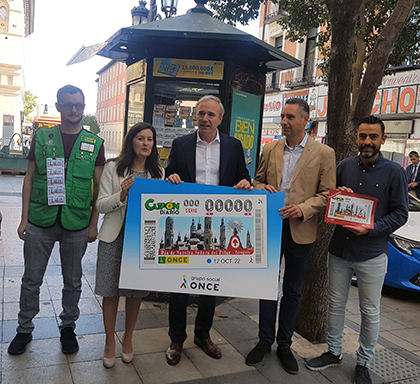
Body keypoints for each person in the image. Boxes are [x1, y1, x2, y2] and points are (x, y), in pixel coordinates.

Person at [306, 116, 408, 384]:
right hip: (339, 250)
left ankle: (363, 362)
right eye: (363, 136)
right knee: (336, 305)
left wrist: (371, 228)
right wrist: (338, 195)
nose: (367, 142)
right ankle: (334, 352)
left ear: (383, 140)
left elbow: (400, 214)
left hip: (372, 254)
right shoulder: (343, 166)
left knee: (370, 311)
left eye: (373, 137)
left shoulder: (394, 172)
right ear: (356, 138)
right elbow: (330, 199)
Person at [8, 85, 105, 356]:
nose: (74, 110)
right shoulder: (42, 137)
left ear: (83, 109)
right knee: (31, 279)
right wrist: (24, 219)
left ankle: (68, 328)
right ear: (59, 106)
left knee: (73, 280)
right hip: (40, 219)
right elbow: (28, 178)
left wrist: (94, 223)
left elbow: (99, 188)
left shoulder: (94, 143)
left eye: (79, 106)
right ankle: (24, 329)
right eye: (69, 104)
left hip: (77, 221)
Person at [246, 98, 336, 374]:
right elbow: (257, 180)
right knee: (265, 286)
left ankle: (284, 344)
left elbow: (327, 193)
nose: (283, 121)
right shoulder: (270, 149)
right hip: (270, 225)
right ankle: (264, 340)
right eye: (282, 117)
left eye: (289, 117)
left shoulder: (324, 153)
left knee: (292, 290)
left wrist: (303, 209)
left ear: (305, 120)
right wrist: (263, 188)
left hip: (301, 227)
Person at [165, 95, 251, 365]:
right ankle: (176, 338)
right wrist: (172, 178)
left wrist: (245, 184)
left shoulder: (233, 146)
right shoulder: (180, 144)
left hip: (217, 224)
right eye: (201, 113)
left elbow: (243, 176)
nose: (204, 118)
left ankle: (202, 334)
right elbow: (169, 174)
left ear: (220, 119)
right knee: (179, 284)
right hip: (187, 222)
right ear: (195, 116)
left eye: (210, 115)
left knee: (210, 284)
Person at [95, 122, 164, 368]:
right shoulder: (114, 168)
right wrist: (121, 195)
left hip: (140, 240)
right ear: (131, 141)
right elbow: (101, 205)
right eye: (140, 138)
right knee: (110, 290)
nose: (146, 143)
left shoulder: (158, 173)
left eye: (150, 139)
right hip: (114, 236)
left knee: (135, 293)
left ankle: (128, 339)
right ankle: (109, 342)